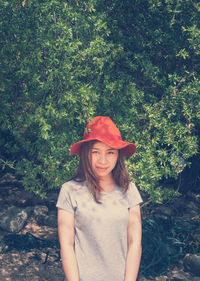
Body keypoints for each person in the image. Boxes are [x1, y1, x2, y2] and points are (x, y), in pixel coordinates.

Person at [56, 116, 143, 281]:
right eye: (95, 152)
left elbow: (135, 244)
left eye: (110, 152)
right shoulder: (69, 190)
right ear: (85, 153)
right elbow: (66, 245)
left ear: (118, 155)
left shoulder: (129, 190)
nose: (102, 160)